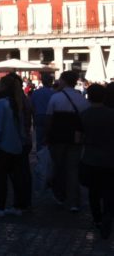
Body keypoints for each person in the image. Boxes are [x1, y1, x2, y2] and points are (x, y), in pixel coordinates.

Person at [45, 70, 90, 212]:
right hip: (75, 139)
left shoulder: (55, 98)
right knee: (73, 169)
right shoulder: (82, 99)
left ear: (63, 81)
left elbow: (48, 120)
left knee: (58, 166)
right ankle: (74, 201)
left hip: (57, 138)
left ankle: (60, 195)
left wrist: (46, 137)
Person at [0, 74, 26, 217]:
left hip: (3, 146)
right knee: (16, 178)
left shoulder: (1, 103)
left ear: (3, 87)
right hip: (17, 146)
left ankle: (0, 207)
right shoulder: (17, 102)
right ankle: (17, 206)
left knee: (1, 179)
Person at [79, 83, 114, 239]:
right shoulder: (111, 114)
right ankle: (108, 214)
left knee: (93, 191)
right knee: (109, 190)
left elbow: (78, 139)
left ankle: (97, 219)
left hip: (90, 158)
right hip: (110, 159)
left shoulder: (84, 115)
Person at [31, 74, 55, 151]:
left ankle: (39, 156)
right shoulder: (54, 93)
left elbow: (32, 106)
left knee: (39, 139)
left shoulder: (36, 92)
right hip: (50, 117)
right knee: (50, 138)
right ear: (51, 82)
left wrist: (34, 118)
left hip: (39, 116)